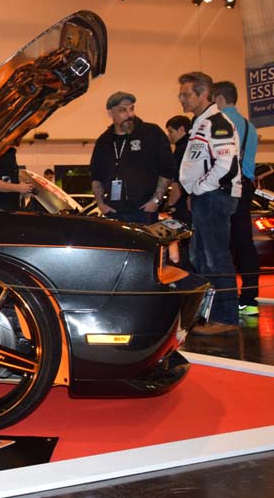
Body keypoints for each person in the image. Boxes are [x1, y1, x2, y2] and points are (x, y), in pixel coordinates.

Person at [178, 72, 241, 336]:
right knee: (201, 258)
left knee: (216, 258)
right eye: (180, 94)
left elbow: (225, 165)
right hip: (205, 197)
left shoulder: (217, 122)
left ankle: (226, 318)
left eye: (186, 94)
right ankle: (211, 315)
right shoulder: (200, 123)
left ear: (204, 93)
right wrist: (194, 192)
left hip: (215, 197)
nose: (181, 99)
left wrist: (199, 188)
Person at [90, 91, 174, 224]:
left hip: (144, 211)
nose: (129, 115)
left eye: (131, 109)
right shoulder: (104, 141)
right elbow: (96, 175)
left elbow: (167, 169)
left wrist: (155, 201)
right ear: (111, 113)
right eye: (122, 110)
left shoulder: (151, 133)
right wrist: (101, 204)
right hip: (113, 212)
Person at [214, 81, 260, 315]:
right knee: (245, 244)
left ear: (220, 98)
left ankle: (225, 299)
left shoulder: (221, 123)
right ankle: (250, 299)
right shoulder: (250, 127)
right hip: (246, 187)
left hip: (227, 188)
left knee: (221, 245)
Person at [0, 147, 33, 211]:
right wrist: (19, 188)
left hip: (10, 208)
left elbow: (10, 181)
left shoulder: (10, 153)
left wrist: (24, 190)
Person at [164, 115, 192, 226]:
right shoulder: (192, 145)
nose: (169, 135)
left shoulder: (180, 150)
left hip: (183, 202)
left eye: (171, 131)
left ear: (181, 129)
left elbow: (178, 180)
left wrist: (170, 203)